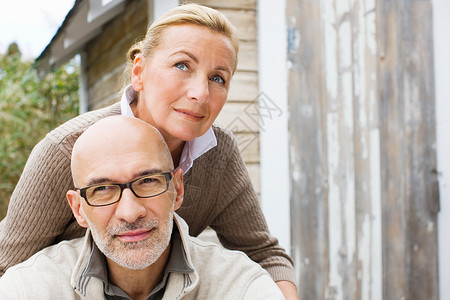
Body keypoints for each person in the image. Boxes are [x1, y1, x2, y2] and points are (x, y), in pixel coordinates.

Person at [0, 4, 298, 299]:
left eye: (217, 77)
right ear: (139, 72)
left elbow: (264, 255)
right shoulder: (65, 150)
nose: (201, 93)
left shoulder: (218, 155)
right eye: (182, 65)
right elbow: (6, 267)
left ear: (177, 187)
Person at [0, 116, 285, 299]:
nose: (130, 212)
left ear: (177, 190)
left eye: (147, 181)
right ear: (78, 209)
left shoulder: (241, 287)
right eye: (102, 189)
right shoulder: (28, 289)